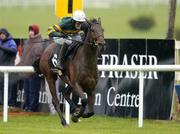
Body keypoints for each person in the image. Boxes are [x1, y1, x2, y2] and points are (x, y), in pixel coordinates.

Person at [18, 24, 44, 112]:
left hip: (34, 72)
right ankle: (27, 107)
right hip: (25, 71)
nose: (30, 32)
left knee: (33, 91)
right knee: (27, 91)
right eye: (29, 30)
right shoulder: (27, 42)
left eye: (32, 30)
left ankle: (32, 109)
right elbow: (24, 57)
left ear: (36, 31)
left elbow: (38, 57)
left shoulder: (40, 43)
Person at [0, 28, 17, 107]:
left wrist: (2, 47)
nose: (1, 35)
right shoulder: (1, 42)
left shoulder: (11, 42)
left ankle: (7, 104)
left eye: (3, 34)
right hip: (1, 69)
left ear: (6, 34)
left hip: (8, 68)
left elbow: (13, 50)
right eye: (0, 34)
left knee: (6, 87)